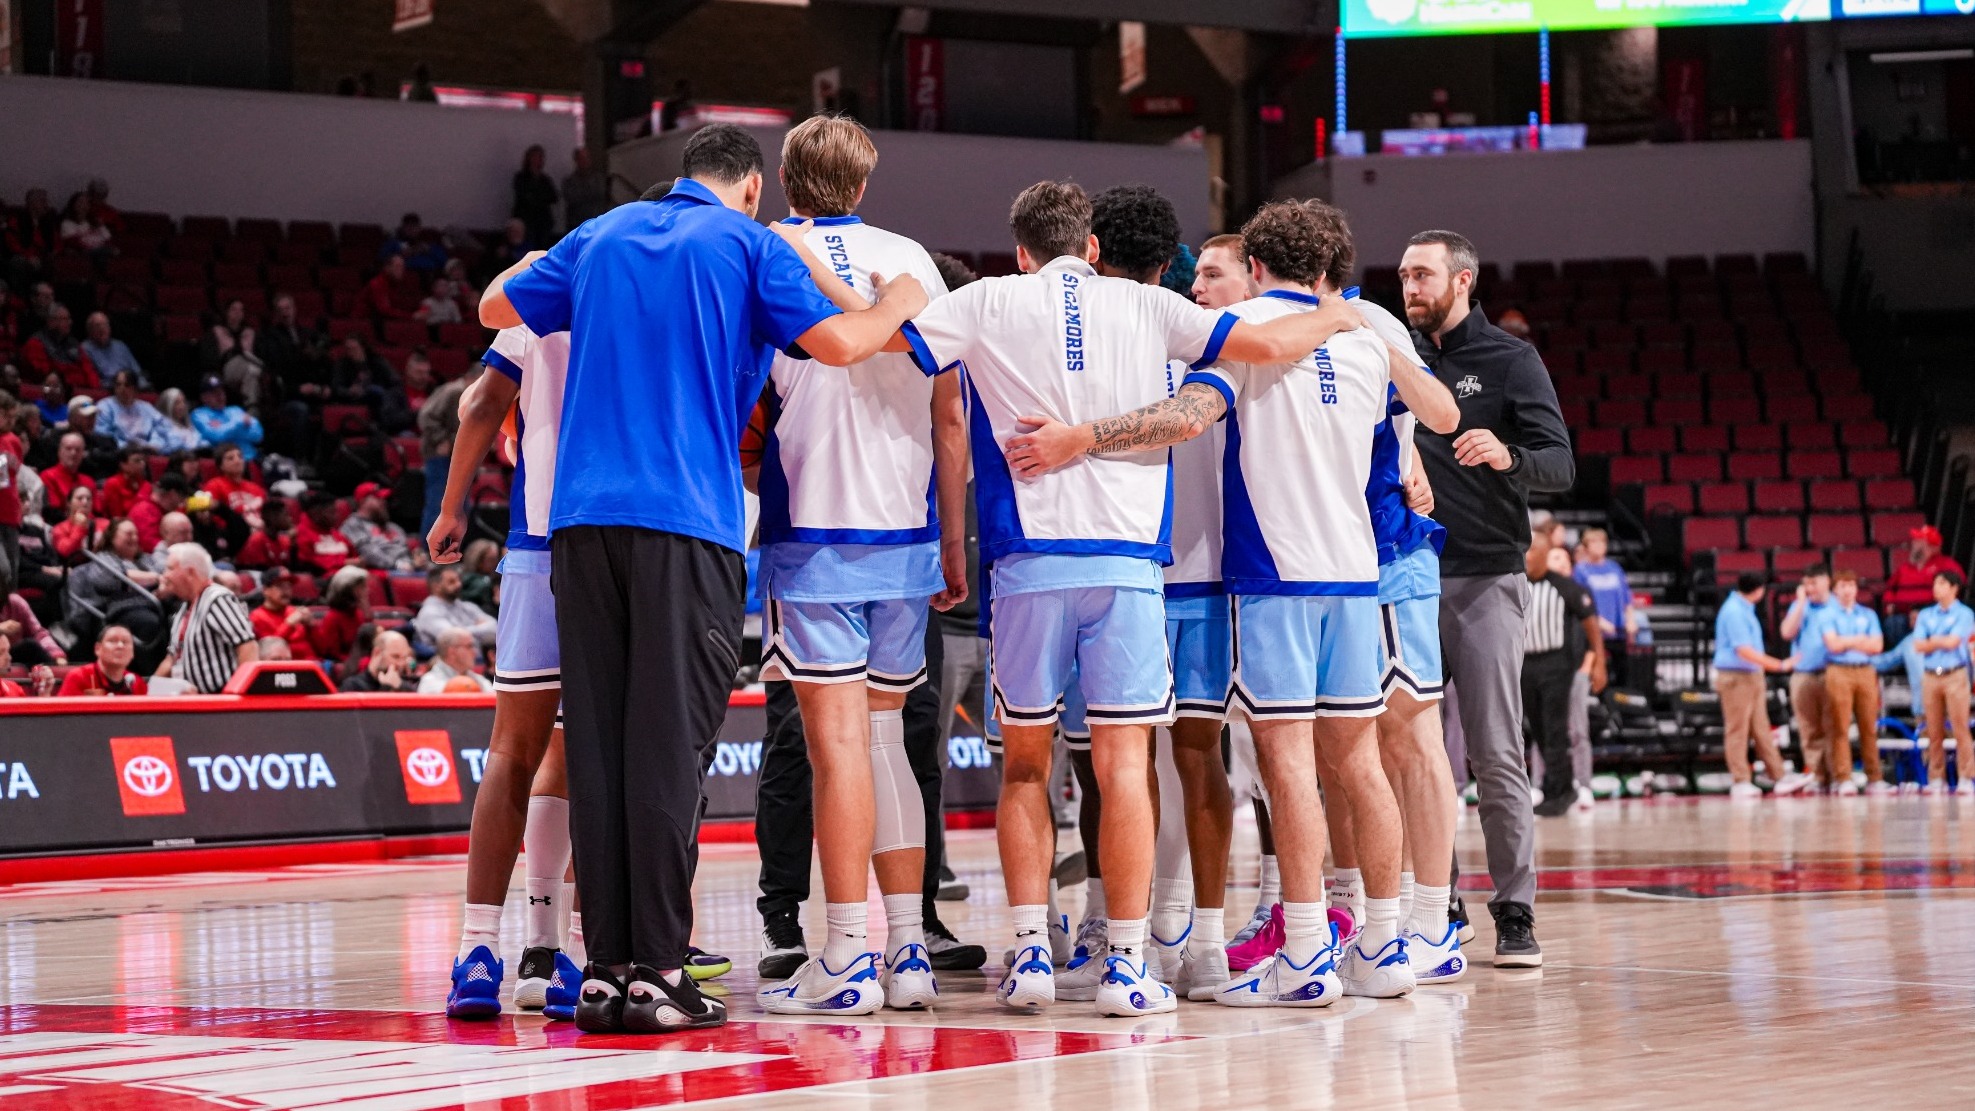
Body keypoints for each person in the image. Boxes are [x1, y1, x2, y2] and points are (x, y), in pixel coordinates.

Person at [478, 122, 928, 1034]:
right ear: (752, 187)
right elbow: (844, 345)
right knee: (667, 747)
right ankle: (660, 970)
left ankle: (604, 968)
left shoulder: (600, 233)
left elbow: (493, 308)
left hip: (579, 524)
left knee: (598, 742)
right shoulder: (747, 243)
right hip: (687, 520)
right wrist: (900, 300)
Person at [920, 185, 1368, 1014]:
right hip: (1130, 566)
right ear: (1087, 246)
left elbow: (888, 351)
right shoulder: (1150, 304)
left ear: (1020, 248)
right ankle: (1129, 962)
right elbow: (1265, 344)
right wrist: (1341, 317)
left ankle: (1028, 956)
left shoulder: (984, 298)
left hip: (1026, 560)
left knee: (1025, 766)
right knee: (1128, 768)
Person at [746, 116, 967, 1017]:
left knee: (834, 750)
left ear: (784, 177)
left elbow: (738, 396)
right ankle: (906, 950)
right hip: (908, 529)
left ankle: (842, 956)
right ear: (864, 183)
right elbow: (950, 415)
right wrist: (954, 540)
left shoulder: (761, 250)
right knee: (885, 748)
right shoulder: (913, 256)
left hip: (814, 528)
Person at [1294, 199, 1468, 982]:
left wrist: (1374, 344)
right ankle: (1362, 915)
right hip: (1323, 558)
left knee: (1409, 737)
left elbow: (1438, 410)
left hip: (1386, 550)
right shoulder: (1271, 323)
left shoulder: (1368, 320)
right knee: (1339, 748)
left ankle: (1431, 925)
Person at [1404, 229, 1573, 967]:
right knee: (1413, 753)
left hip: (1484, 576)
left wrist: (1509, 456)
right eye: (1403, 276)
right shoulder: (1394, 359)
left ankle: (1514, 908)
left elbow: (1560, 464)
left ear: (1462, 281)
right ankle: (1434, 900)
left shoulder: (1510, 360)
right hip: (1404, 577)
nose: (1408, 287)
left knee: (1495, 749)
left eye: (1422, 275)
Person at [427, 320, 585, 1022]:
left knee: (512, 750)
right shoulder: (653, 290)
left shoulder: (539, 293)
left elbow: (481, 404)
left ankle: (480, 948)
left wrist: (450, 507)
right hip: (621, 542)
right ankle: (578, 955)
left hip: (534, 543)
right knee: (596, 754)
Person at [1525, 527, 1606, 816]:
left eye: (1532, 550)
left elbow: (1590, 623)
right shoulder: (1516, 585)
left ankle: (1560, 791)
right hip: (1526, 666)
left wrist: (1599, 663)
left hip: (1555, 665)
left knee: (1555, 729)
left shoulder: (1564, 586)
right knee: (1538, 729)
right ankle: (1554, 787)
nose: (1526, 556)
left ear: (1545, 554)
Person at [1711, 571, 1794, 800]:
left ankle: (1778, 775)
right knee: (1737, 729)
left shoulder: (1744, 609)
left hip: (1752, 675)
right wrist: (1778, 665)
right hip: (1736, 676)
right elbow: (1744, 650)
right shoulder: (1735, 612)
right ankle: (1740, 780)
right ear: (1760, 591)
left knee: (1761, 727)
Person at [1815, 568, 1887, 796]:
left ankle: (1874, 777)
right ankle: (1843, 776)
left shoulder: (1868, 614)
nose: (1848, 591)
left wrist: (1846, 642)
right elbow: (1833, 645)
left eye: (1851, 586)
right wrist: (1858, 640)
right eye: (1843, 586)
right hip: (1839, 671)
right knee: (1840, 726)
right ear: (1835, 590)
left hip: (1865, 671)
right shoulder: (1826, 615)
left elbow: (1877, 646)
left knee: (1869, 726)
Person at [156, 542, 259, 693]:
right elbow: (171, 659)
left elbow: (247, 646)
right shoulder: (184, 609)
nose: (164, 575)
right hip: (197, 704)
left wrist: (237, 694)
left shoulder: (216, 599)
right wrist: (148, 692)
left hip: (222, 703)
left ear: (190, 572)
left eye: (170, 568)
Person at [1911, 569, 1975, 795]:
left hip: (1955, 674)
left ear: (1953, 588)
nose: (1935, 587)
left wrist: (1933, 640)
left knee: (1960, 727)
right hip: (1930, 675)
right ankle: (1936, 777)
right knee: (1933, 729)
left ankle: (1966, 776)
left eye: (1941, 583)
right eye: (1935, 583)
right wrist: (1939, 640)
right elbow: (1918, 645)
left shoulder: (1965, 614)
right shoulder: (1926, 615)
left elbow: (1953, 641)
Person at [1777, 565, 1834, 795]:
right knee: (1809, 730)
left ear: (1826, 581)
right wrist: (1800, 603)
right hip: (1803, 674)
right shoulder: (1800, 606)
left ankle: (1838, 774)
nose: (1810, 588)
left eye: (1814, 583)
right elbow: (1787, 632)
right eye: (1806, 584)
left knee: (1835, 727)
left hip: (1832, 672)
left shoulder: (1838, 606)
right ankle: (1818, 776)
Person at [418, 360, 478, 537]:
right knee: (438, 504)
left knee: (459, 508)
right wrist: (441, 440)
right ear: (471, 378)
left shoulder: (471, 396)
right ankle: (427, 553)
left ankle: (449, 550)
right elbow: (426, 416)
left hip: (458, 458)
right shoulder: (454, 391)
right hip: (440, 456)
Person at [1572, 528, 1630, 682]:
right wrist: (1599, 622)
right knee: (1597, 673)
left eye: (1602, 542)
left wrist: (1630, 620)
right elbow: (1580, 602)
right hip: (1594, 631)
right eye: (1594, 542)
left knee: (1622, 673)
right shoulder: (1581, 571)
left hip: (1617, 631)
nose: (1599, 545)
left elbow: (1626, 598)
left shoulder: (1615, 568)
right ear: (1585, 547)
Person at [413, 564, 497, 650]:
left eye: (458, 580)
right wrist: (481, 630)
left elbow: (495, 627)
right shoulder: (429, 613)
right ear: (436, 586)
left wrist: (465, 631)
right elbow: (455, 638)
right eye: (452, 582)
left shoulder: (467, 606)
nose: (459, 584)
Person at [201, 300, 266, 411]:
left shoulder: (250, 332)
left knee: (253, 370)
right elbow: (209, 358)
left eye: (241, 310)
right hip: (226, 370)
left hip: (250, 368)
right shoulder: (216, 331)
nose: (238, 312)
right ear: (226, 312)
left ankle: (252, 407)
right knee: (252, 369)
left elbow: (260, 354)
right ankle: (252, 409)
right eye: (234, 309)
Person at [0, 563, 65, 665]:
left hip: (12, 657)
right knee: (29, 647)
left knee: (32, 647)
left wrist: (56, 655)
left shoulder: (15, 602)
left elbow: (38, 633)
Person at [341, 482, 414, 571]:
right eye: (378, 498)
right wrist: (397, 564)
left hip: (407, 568)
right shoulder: (354, 525)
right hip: (385, 570)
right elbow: (368, 553)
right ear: (363, 501)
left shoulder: (393, 527)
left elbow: (405, 550)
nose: (383, 501)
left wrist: (416, 561)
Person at [58, 624, 148, 696]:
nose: (120, 646)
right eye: (113, 641)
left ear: (132, 653)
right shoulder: (79, 677)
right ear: (98, 649)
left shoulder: (136, 683)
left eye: (125, 642)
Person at [22, 303, 94, 392]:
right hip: (50, 391)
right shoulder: (36, 343)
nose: (70, 322)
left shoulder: (74, 344)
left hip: (79, 390)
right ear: (51, 321)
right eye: (65, 319)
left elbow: (88, 370)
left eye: (69, 319)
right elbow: (44, 374)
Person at [190, 377, 265, 459]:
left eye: (221, 392)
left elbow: (258, 435)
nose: (220, 396)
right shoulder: (199, 414)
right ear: (204, 398)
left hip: (252, 458)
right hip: (226, 464)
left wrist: (225, 429)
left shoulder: (235, 410)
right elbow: (217, 437)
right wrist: (241, 424)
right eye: (214, 393)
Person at [250, 567, 313, 660]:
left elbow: (323, 649)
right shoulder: (257, 617)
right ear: (265, 590)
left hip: (312, 664)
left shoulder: (295, 611)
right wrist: (289, 625)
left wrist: (311, 626)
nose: (286, 591)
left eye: (289, 586)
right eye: (280, 586)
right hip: (285, 668)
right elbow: (270, 652)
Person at [310, 565, 369, 664]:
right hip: (343, 666)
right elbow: (332, 654)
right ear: (348, 590)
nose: (367, 590)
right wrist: (359, 662)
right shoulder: (332, 618)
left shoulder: (358, 614)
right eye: (362, 587)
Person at [203, 444, 266, 528]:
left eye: (240, 457)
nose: (237, 461)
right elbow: (214, 518)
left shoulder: (257, 489)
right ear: (221, 466)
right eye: (230, 458)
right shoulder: (214, 486)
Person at [82, 312, 148, 390]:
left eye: (105, 325)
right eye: (97, 325)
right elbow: (94, 380)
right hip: (108, 390)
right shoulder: (85, 349)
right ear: (89, 330)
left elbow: (137, 371)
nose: (102, 328)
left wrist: (142, 385)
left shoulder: (120, 345)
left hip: (132, 388)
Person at [297, 490, 355, 575]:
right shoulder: (301, 534)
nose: (336, 516)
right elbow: (311, 563)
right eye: (332, 512)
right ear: (316, 513)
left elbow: (353, 555)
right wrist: (344, 563)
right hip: (324, 578)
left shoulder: (336, 534)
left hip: (348, 573)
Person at [419, 627, 492, 693]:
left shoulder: (480, 680)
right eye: (469, 646)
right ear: (452, 652)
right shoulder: (430, 683)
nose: (475, 652)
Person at [339, 628, 415, 692]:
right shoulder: (352, 686)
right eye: (395, 657)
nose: (401, 664)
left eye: (404, 658)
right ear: (377, 653)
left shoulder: (406, 688)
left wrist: (400, 688)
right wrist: (387, 688)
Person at [129, 473, 188, 552]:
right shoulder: (145, 511)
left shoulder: (160, 509)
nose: (182, 502)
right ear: (172, 494)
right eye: (182, 498)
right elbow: (150, 545)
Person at [513, 145, 559, 246]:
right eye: (535, 157)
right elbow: (524, 197)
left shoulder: (545, 179)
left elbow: (554, 197)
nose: (537, 160)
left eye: (540, 157)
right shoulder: (521, 178)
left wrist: (536, 196)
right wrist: (540, 197)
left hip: (543, 222)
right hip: (526, 221)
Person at [0, 391, 24, 582]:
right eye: (6, 416)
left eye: (13, 417)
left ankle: (9, 611)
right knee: (3, 570)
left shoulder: (13, 441)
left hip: (10, 513)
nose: (10, 421)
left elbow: (10, 478)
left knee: (12, 574)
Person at [236, 496, 296, 571]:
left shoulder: (285, 540)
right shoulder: (257, 539)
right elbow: (258, 569)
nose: (290, 519)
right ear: (273, 518)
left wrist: (294, 545)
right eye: (286, 515)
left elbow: (292, 568)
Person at [50, 485, 106, 562]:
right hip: (76, 568)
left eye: (89, 499)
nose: (85, 502)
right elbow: (66, 552)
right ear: (69, 503)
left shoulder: (104, 524)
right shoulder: (59, 529)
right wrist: (79, 527)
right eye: (80, 498)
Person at [98, 447, 152, 520]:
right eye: (137, 461)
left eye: (143, 460)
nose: (143, 464)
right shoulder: (113, 484)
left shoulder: (147, 485)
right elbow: (116, 517)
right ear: (123, 465)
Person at [563, 147, 611, 229]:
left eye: (586, 157)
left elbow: (600, 193)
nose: (584, 161)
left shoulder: (598, 178)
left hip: (596, 222)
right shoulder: (569, 181)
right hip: (577, 224)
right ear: (576, 160)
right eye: (581, 158)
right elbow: (573, 199)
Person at [359, 254, 417, 322]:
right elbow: (384, 310)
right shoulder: (377, 283)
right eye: (397, 267)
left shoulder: (398, 284)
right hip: (363, 323)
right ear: (387, 268)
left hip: (382, 323)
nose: (401, 270)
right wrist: (412, 316)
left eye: (402, 267)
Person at [151, 390, 206, 455]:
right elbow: (156, 447)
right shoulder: (160, 426)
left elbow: (201, 442)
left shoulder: (190, 426)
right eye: (177, 403)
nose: (182, 406)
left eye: (183, 402)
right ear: (167, 405)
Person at [58, 191, 113, 255]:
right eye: (81, 202)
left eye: (86, 202)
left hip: (102, 250)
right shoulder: (67, 223)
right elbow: (74, 243)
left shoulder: (96, 221)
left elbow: (108, 238)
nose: (83, 205)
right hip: (85, 253)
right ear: (74, 205)